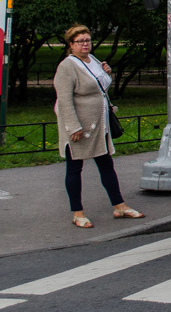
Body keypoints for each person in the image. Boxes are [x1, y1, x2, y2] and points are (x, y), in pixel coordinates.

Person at [53, 25, 143, 228]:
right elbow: (64, 100)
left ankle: (119, 206)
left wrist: (106, 74)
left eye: (87, 40)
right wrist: (73, 127)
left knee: (107, 165)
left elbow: (100, 86)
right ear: (71, 45)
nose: (85, 44)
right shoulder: (67, 66)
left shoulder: (92, 60)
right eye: (80, 41)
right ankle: (78, 213)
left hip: (98, 125)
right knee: (75, 168)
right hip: (79, 128)